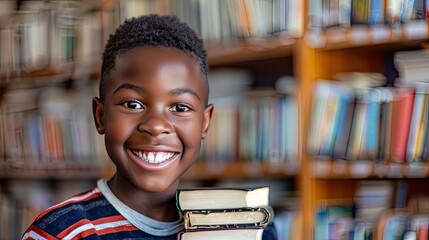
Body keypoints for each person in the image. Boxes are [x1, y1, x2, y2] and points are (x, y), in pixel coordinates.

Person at [22, 14, 277, 239]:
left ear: (205, 122)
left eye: (180, 107)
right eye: (132, 104)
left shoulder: (243, 228)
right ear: (100, 116)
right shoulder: (61, 232)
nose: (156, 127)